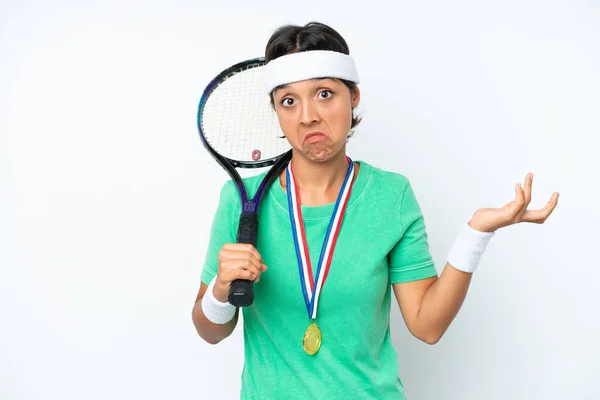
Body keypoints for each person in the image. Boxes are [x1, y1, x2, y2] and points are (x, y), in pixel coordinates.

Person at [191, 21, 559, 400]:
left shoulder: (390, 195)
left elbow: (427, 326)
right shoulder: (241, 201)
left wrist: (477, 233)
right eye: (289, 101)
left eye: (324, 93)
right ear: (277, 112)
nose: (307, 116)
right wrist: (220, 291)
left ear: (353, 97)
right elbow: (210, 330)